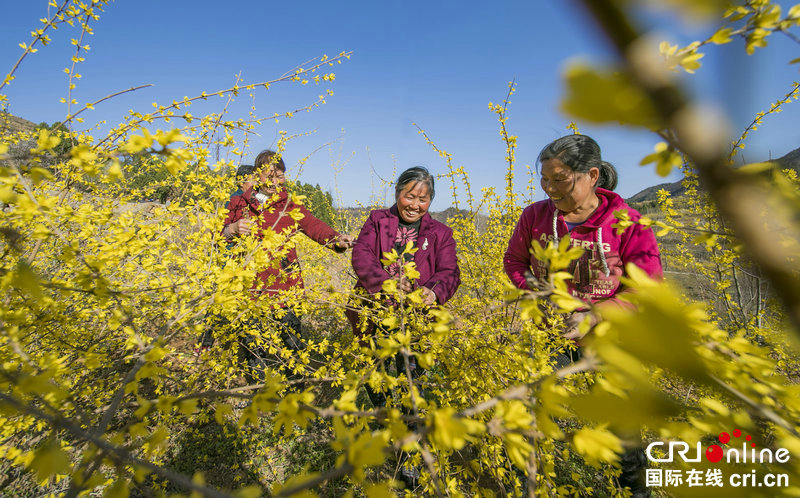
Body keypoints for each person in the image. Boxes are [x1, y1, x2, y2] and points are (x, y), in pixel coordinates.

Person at [503, 134, 662, 497]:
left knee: (623, 423)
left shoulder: (629, 222)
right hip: (549, 334)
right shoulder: (535, 216)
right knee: (534, 409)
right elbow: (515, 261)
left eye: (560, 179)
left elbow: (646, 288)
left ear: (591, 175)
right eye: (545, 179)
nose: (550, 188)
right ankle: (529, 481)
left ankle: (633, 488)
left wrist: (594, 315)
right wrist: (536, 292)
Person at [348, 166, 461, 487]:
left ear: (431, 201)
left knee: (414, 384)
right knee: (376, 377)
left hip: (417, 323)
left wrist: (434, 291)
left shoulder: (441, 233)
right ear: (397, 193)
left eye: (422, 199)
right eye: (409, 196)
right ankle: (387, 425)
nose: (414, 204)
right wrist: (385, 285)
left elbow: (450, 272)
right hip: (374, 314)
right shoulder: (377, 220)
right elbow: (362, 255)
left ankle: (409, 456)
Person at [220, 150, 354, 384]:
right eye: (268, 175)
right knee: (254, 348)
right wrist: (231, 230)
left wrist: (336, 239)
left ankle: (296, 393)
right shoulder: (239, 202)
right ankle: (256, 396)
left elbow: (313, 225)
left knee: (292, 344)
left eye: (279, 175)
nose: (274, 181)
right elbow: (217, 236)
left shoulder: (289, 205)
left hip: (286, 288)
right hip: (251, 290)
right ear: (257, 175)